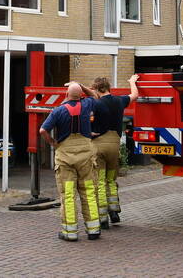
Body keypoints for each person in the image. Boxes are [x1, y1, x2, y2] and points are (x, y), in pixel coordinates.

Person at [39, 82, 102, 242]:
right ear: (81, 95)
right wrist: (80, 85)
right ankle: (93, 229)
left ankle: (70, 232)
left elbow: (42, 130)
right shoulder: (87, 104)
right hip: (85, 156)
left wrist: (53, 143)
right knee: (88, 192)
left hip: (65, 156)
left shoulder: (58, 111)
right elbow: (95, 95)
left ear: (66, 95)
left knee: (68, 194)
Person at [91, 74, 139, 226]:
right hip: (114, 146)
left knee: (99, 182)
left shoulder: (96, 104)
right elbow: (135, 95)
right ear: (109, 87)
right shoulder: (119, 101)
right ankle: (114, 212)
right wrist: (132, 82)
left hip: (99, 146)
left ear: (97, 89)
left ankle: (103, 218)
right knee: (111, 179)